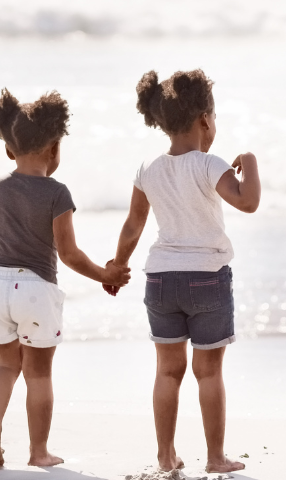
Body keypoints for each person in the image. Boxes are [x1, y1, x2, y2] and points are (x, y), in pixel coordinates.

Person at [0, 89, 131, 467]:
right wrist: (106, 273)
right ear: (55, 148)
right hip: (35, 288)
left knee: (4, 366)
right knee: (38, 374)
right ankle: (38, 452)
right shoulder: (57, 192)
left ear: (9, 149)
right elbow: (68, 254)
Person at [109, 70, 260, 475]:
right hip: (207, 278)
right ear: (205, 120)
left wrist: (117, 265)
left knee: (167, 371)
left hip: (160, 279)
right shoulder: (209, 165)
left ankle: (165, 456)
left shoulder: (148, 168)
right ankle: (214, 457)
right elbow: (247, 202)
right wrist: (251, 164)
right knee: (208, 371)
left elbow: (133, 226)